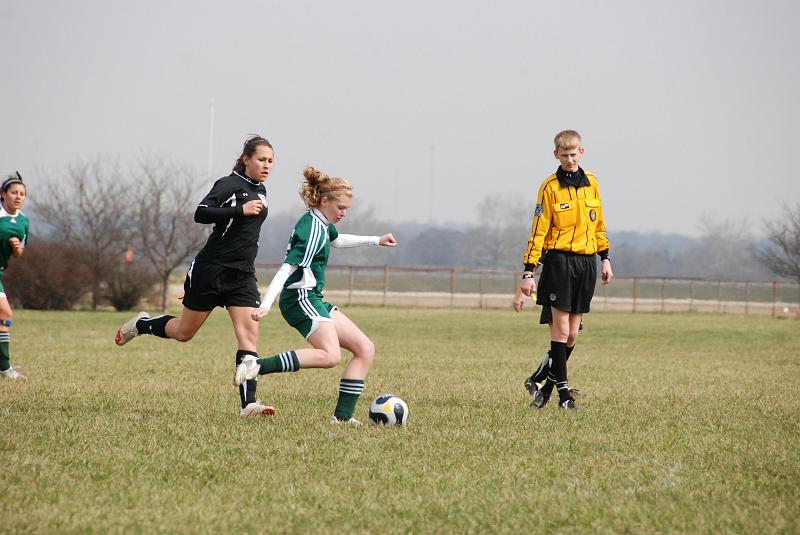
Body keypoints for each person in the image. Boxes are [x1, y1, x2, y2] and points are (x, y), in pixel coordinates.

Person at [115, 135, 276, 418]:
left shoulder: (261, 190)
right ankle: (142, 324)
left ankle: (248, 405)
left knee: (249, 333)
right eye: (261, 159)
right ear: (247, 159)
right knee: (184, 333)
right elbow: (200, 213)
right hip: (211, 271)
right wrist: (239, 210)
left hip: (242, 275)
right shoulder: (229, 184)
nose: (267, 165)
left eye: (271, 161)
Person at [235, 166, 397, 425]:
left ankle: (342, 419)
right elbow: (287, 268)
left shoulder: (322, 223)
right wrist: (266, 303)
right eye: (341, 208)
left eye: (346, 209)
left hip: (314, 298)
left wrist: (375, 240)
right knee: (331, 356)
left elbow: (337, 240)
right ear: (325, 201)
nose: (343, 213)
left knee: (365, 348)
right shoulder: (311, 229)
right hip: (300, 299)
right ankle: (255, 366)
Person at [512, 130, 613, 409]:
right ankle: (564, 395)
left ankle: (541, 381)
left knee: (573, 333)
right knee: (562, 328)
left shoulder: (592, 183)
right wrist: (528, 271)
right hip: (558, 262)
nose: (569, 159)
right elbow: (538, 232)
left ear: (581, 152)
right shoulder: (549, 187)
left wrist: (605, 257)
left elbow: (599, 224)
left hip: (586, 262)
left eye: (573, 153)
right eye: (564, 155)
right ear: (556, 155)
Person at [0, 172, 30, 380]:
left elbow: (19, 255)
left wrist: (17, 247)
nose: (18, 197)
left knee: (4, 317)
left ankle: (3, 366)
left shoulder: (23, 222)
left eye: (22, 194)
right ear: (3, 194)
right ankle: (4, 368)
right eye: (13, 192)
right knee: (5, 314)